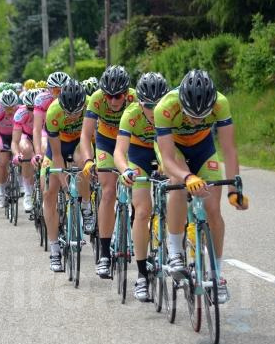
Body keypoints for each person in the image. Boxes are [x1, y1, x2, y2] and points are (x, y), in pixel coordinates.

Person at [154, 69, 249, 304]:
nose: (196, 120)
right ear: (182, 102)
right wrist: (187, 177)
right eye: (191, 114)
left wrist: (234, 190)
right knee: (177, 182)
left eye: (202, 115)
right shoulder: (165, 107)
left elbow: (229, 149)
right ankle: (175, 251)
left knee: (213, 210)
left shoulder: (221, 104)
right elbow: (166, 160)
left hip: (203, 147)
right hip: (174, 148)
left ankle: (216, 275)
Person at [113, 72, 168, 301]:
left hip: (164, 148)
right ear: (139, 102)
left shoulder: (171, 111)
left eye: (158, 104)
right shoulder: (131, 114)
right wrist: (125, 169)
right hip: (138, 155)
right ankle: (142, 275)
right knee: (143, 210)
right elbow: (119, 151)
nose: (153, 111)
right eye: (148, 105)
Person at [80, 65, 136, 279]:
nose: (113, 101)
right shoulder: (96, 99)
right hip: (105, 141)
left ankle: (134, 226)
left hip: (132, 141)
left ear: (127, 93)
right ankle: (104, 255)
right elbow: (85, 135)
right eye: (109, 96)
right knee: (109, 190)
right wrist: (87, 160)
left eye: (119, 95)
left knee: (139, 187)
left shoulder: (135, 98)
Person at [42, 79, 87, 273]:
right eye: (69, 112)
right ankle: (54, 250)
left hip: (79, 143)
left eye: (76, 112)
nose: (73, 116)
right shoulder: (53, 112)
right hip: (58, 147)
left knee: (83, 163)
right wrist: (64, 183)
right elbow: (57, 155)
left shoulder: (89, 105)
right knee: (49, 194)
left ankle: (86, 207)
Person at [0, 89, 19, 208]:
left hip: (16, 136)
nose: (9, 110)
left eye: (11, 107)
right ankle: (1, 193)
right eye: (6, 108)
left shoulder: (19, 110)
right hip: (3, 137)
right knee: (2, 162)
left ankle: (22, 184)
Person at [12, 89, 37, 212]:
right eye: (30, 108)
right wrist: (17, 154)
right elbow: (15, 141)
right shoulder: (20, 113)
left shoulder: (47, 110)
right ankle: (27, 192)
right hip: (26, 136)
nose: (33, 112)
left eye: (35, 108)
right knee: (26, 150)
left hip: (42, 136)